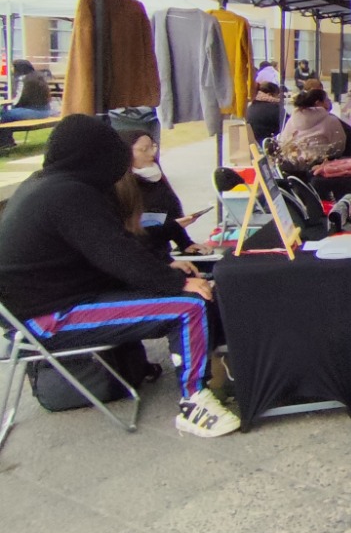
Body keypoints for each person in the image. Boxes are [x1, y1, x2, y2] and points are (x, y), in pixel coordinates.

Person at [0, 115, 237, 437]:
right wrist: (177, 283)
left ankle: (217, 369)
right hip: (46, 316)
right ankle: (193, 403)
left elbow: (111, 250)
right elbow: (115, 254)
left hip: (46, 302)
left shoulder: (50, 184)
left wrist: (164, 270)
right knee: (189, 305)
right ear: (95, 155)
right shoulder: (68, 194)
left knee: (184, 293)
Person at [122, 130, 207, 261]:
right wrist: (172, 226)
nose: (152, 153)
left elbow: (168, 214)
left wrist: (185, 243)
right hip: (138, 257)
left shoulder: (155, 176)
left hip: (162, 252)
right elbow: (133, 230)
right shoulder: (120, 188)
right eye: (144, 149)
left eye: (153, 147)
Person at [276, 88, 346, 168]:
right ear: (318, 103)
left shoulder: (292, 119)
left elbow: (283, 142)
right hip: (319, 167)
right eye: (327, 100)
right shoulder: (331, 120)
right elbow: (339, 146)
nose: (330, 102)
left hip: (290, 166)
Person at [245, 80, 284, 146]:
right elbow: (288, 124)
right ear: (270, 95)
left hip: (258, 144)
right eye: (277, 96)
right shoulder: (274, 109)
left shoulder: (252, 106)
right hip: (271, 144)